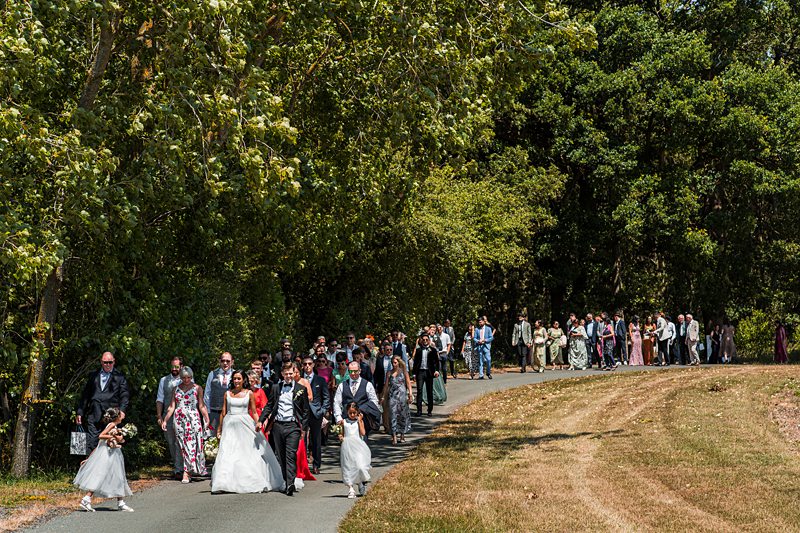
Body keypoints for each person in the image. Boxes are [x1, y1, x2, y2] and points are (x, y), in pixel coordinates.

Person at [212, 370, 285, 494]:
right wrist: (219, 428)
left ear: (243, 380)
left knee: (246, 451)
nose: (236, 381)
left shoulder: (249, 393)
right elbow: (223, 412)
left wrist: (259, 423)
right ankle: (223, 482)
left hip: (245, 423)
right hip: (230, 424)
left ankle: (248, 479)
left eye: (239, 379)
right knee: (228, 451)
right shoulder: (227, 393)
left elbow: (254, 411)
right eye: (234, 378)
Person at [258, 363, 310, 496]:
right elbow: (269, 406)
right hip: (278, 425)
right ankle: (286, 480)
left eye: (291, 373)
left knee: (290, 454)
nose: (288, 376)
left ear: (294, 373)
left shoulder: (301, 389)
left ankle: (290, 483)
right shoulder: (276, 388)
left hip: (293, 426)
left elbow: (305, 411)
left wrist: (303, 428)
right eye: (286, 374)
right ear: (282, 374)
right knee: (281, 455)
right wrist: (261, 421)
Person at [74, 407, 134, 512]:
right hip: (108, 455)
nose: (123, 416)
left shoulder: (115, 426)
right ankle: (86, 499)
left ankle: (120, 502)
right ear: (117, 417)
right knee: (100, 476)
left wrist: (120, 438)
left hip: (113, 454)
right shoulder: (111, 425)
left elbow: (104, 441)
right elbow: (101, 436)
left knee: (117, 476)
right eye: (121, 414)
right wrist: (115, 437)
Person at [160, 367, 210, 483]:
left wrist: (206, 419)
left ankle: (186, 472)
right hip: (179, 418)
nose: (186, 380)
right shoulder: (176, 389)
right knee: (182, 444)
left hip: (193, 418)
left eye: (189, 377)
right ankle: (186, 469)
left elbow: (201, 405)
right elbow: (172, 406)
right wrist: (165, 420)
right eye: (183, 377)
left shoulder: (197, 388)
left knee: (192, 444)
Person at [76, 352, 130, 453]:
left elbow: (124, 395)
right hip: (94, 414)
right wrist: (80, 412)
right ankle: (90, 467)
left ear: (114, 362)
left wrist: (122, 410)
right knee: (92, 443)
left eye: (110, 362)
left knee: (110, 444)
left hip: (112, 416)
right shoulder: (93, 375)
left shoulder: (120, 377)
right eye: (105, 362)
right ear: (101, 362)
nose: (108, 365)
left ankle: (107, 469)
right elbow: (86, 394)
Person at [333, 361, 382, 439]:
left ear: (359, 371)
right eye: (350, 371)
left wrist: (365, 410)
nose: (353, 374)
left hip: (362, 421)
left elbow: (374, 401)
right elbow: (337, 402)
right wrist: (338, 418)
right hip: (347, 422)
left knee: (362, 446)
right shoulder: (342, 385)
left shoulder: (368, 385)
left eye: (355, 371)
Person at [155, 356, 183, 479]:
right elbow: (160, 399)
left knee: (180, 442)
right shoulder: (163, 380)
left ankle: (179, 469)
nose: (174, 369)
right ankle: (177, 466)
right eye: (172, 366)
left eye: (177, 366)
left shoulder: (186, 380)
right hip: (168, 415)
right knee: (171, 442)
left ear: (181, 366)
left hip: (183, 415)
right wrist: (159, 415)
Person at [301, 356, 329, 475]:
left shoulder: (320, 380)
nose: (307, 366)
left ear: (313, 365)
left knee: (316, 440)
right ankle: (303, 464)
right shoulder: (299, 380)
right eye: (305, 364)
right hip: (302, 413)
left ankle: (316, 464)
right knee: (302, 439)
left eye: (309, 363)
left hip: (316, 413)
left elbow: (326, 397)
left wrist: (322, 411)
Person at [339, 402, 372, 498]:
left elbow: (362, 433)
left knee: (360, 466)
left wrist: (360, 421)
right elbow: (342, 433)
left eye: (354, 413)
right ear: (347, 412)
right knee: (348, 467)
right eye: (350, 413)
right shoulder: (343, 422)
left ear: (357, 412)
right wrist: (340, 436)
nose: (352, 415)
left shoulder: (359, 421)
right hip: (347, 446)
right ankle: (350, 488)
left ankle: (360, 481)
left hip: (358, 446)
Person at [382, 356, 412, 444]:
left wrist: (410, 394)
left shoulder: (403, 372)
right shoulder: (389, 373)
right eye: (392, 363)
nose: (394, 364)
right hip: (392, 396)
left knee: (402, 415)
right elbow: (386, 385)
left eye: (395, 362)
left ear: (398, 362)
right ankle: (394, 436)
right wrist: (383, 396)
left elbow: (408, 383)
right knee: (392, 415)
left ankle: (402, 435)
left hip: (402, 396)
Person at [204, 352, 234, 432]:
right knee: (213, 438)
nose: (225, 363)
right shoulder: (212, 374)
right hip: (214, 413)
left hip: (230, 413)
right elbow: (207, 394)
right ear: (219, 361)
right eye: (223, 360)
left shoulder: (236, 375)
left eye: (228, 361)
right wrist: (208, 413)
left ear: (232, 362)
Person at [411, 334, 440, 416]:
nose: (425, 341)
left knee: (429, 391)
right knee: (419, 390)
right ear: (421, 341)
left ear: (429, 341)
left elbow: (436, 362)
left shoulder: (433, 350)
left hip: (429, 372)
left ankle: (429, 410)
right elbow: (415, 362)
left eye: (426, 340)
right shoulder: (419, 350)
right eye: (423, 340)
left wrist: (437, 371)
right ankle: (419, 410)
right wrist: (414, 374)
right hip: (420, 372)